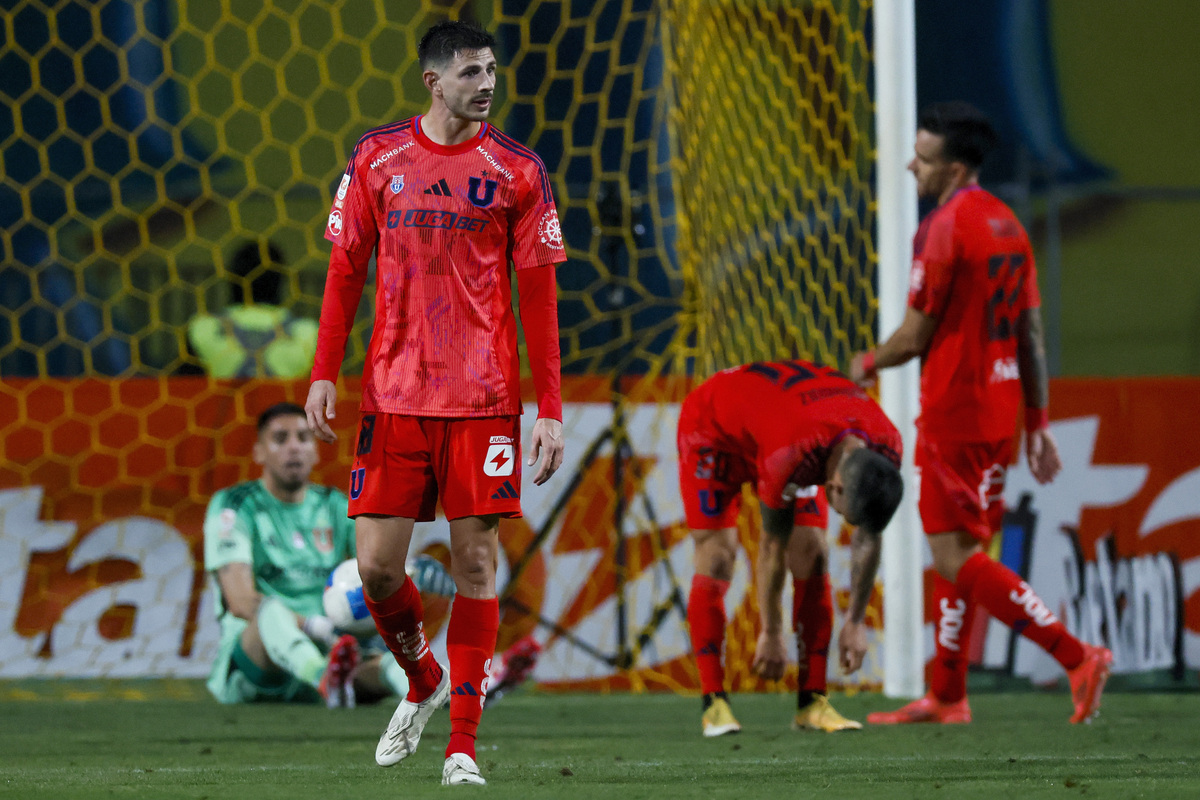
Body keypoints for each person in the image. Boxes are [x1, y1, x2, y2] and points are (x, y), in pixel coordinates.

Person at [304, 20, 566, 787]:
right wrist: (325, 371)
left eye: (492, 70)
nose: (487, 84)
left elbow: (540, 296)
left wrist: (546, 406)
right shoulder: (377, 158)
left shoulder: (518, 170)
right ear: (433, 80)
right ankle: (420, 679)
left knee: (476, 563)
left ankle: (461, 746)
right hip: (393, 393)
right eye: (472, 72)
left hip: (482, 399)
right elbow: (345, 268)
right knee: (379, 573)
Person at [849, 102, 1112, 725]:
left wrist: (864, 363)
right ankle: (947, 693)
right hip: (999, 416)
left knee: (952, 557)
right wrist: (1039, 424)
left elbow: (914, 337)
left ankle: (1076, 656)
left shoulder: (944, 229)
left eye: (924, 157)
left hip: (954, 414)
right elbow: (1031, 334)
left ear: (956, 167)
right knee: (964, 549)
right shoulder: (1007, 223)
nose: (912, 164)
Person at [679, 359, 905, 737]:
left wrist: (856, 622)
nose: (848, 524)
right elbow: (771, 545)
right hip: (713, 430)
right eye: (846, 515)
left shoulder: (886, 447)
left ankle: (812, 703)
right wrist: (770, 631)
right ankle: (713, 703)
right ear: (833, 487)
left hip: (785, 424)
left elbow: (870, 531)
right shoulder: (793, 454)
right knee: (718, 556)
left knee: (814, 552)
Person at [204, 402, 422, 707]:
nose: (294, 448)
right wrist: (312, 627)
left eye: (304, 438)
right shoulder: (235, 505)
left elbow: (377, 571)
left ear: (315, 451)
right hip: (259, 664)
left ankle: (448, 691)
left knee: (390, 661)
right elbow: (240, 602)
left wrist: (414, 574)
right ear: (259, 452)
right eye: (280, 439)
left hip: (333, 652)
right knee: (271, 611)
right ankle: (323, 677)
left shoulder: (334, 505)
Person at [187, 240, 318, 378]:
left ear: (232, 277)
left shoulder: (203, 328)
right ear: (281, 279)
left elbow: (182, 387)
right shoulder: (308, 332)